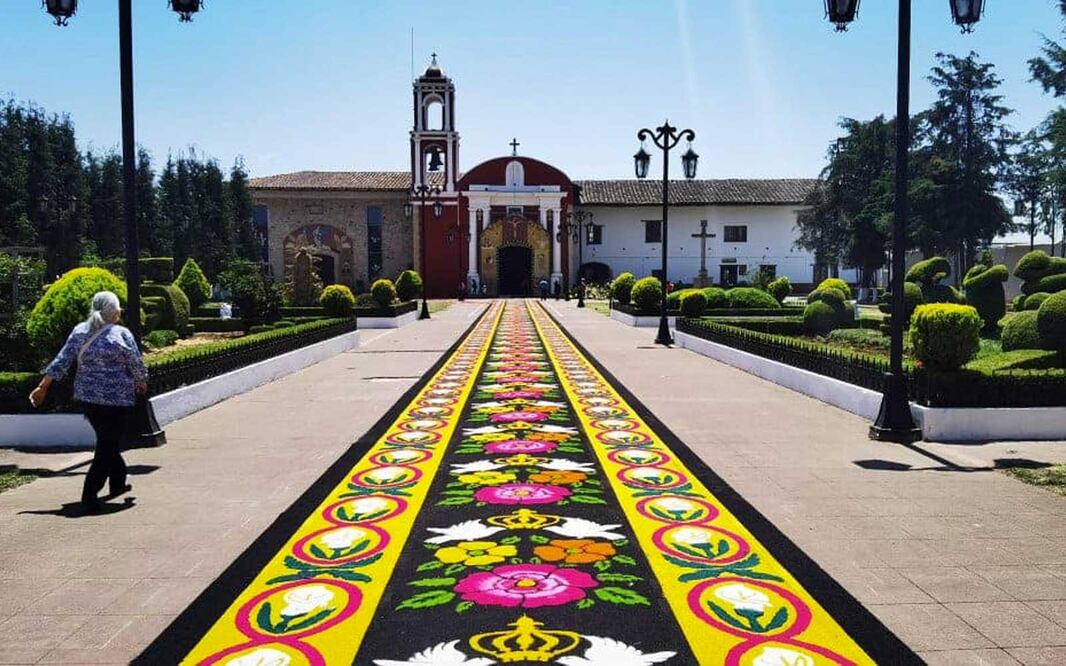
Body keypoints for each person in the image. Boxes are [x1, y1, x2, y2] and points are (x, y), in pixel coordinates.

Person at [29, 291, 147, 512]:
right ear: (113, 311)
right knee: (108, 444)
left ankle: (118, 482)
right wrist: (141, 382)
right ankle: (89, 494)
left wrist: (43, 386)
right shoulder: (121, 333)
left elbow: (61, 361)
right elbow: (135, 362)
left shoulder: (80, 331)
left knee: (107, 441)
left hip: (89, 399)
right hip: (117, 400)